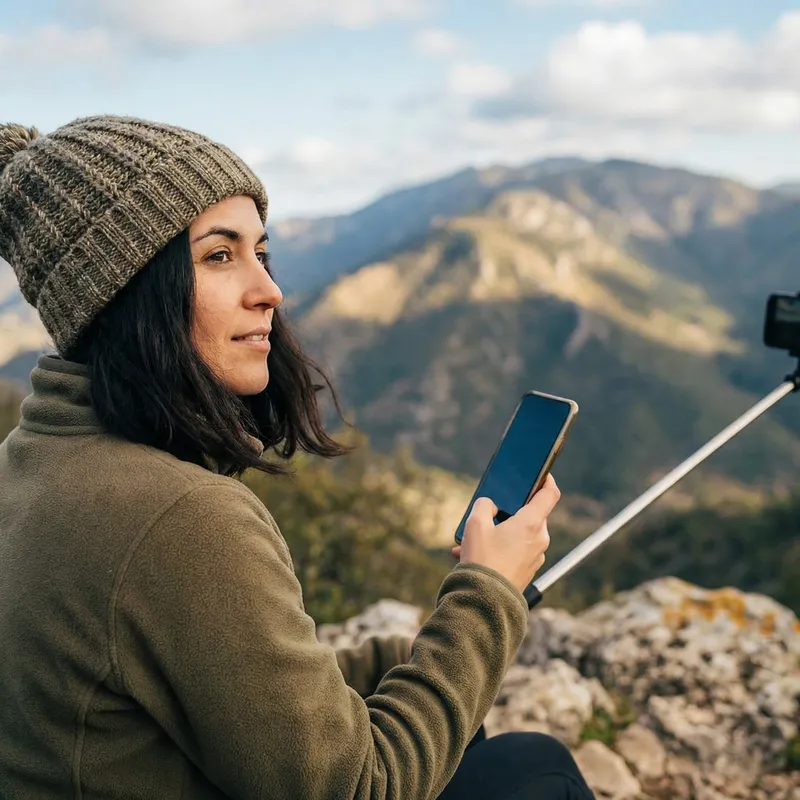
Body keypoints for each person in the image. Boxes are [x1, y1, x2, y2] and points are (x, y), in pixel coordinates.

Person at [0, 116, 595, 799]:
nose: (269, 290)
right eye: (218, 256)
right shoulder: (181, 518)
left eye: (261, 252)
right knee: (534, 769)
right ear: (121, 292)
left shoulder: (30, 466)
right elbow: (360, 787)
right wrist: (487, 594)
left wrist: (410, 655)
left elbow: (210, 685)